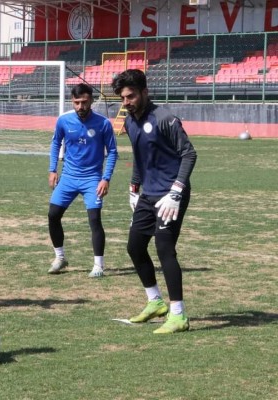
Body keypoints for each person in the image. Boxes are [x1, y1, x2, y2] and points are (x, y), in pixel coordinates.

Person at [111, 69, 197, 334]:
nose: (126, 102)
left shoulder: (165, 118)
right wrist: (134, 188)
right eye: (123, 98)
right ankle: (155, 302)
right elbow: (140, 158)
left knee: (164, 248)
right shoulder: (129, 122)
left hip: (171, 195)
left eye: (131, 96)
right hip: (147, 194)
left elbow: (189, 154)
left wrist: (176, 192)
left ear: (145, 92)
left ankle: (178, 315)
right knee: (135, 247)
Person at [47, 83, 118, 277]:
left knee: (94, 219)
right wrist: (52, 169)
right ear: (72, 101)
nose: (81, 106)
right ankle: (60, 258)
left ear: (91, 101)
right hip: (68, 177)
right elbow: (56, 143)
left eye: (84, 102)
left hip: (92, 179)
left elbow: (112, 152)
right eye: (77, 102)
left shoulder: (103, 123)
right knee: (53, 215)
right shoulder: (64, 120)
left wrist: (105, 178)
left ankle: (98, 266)